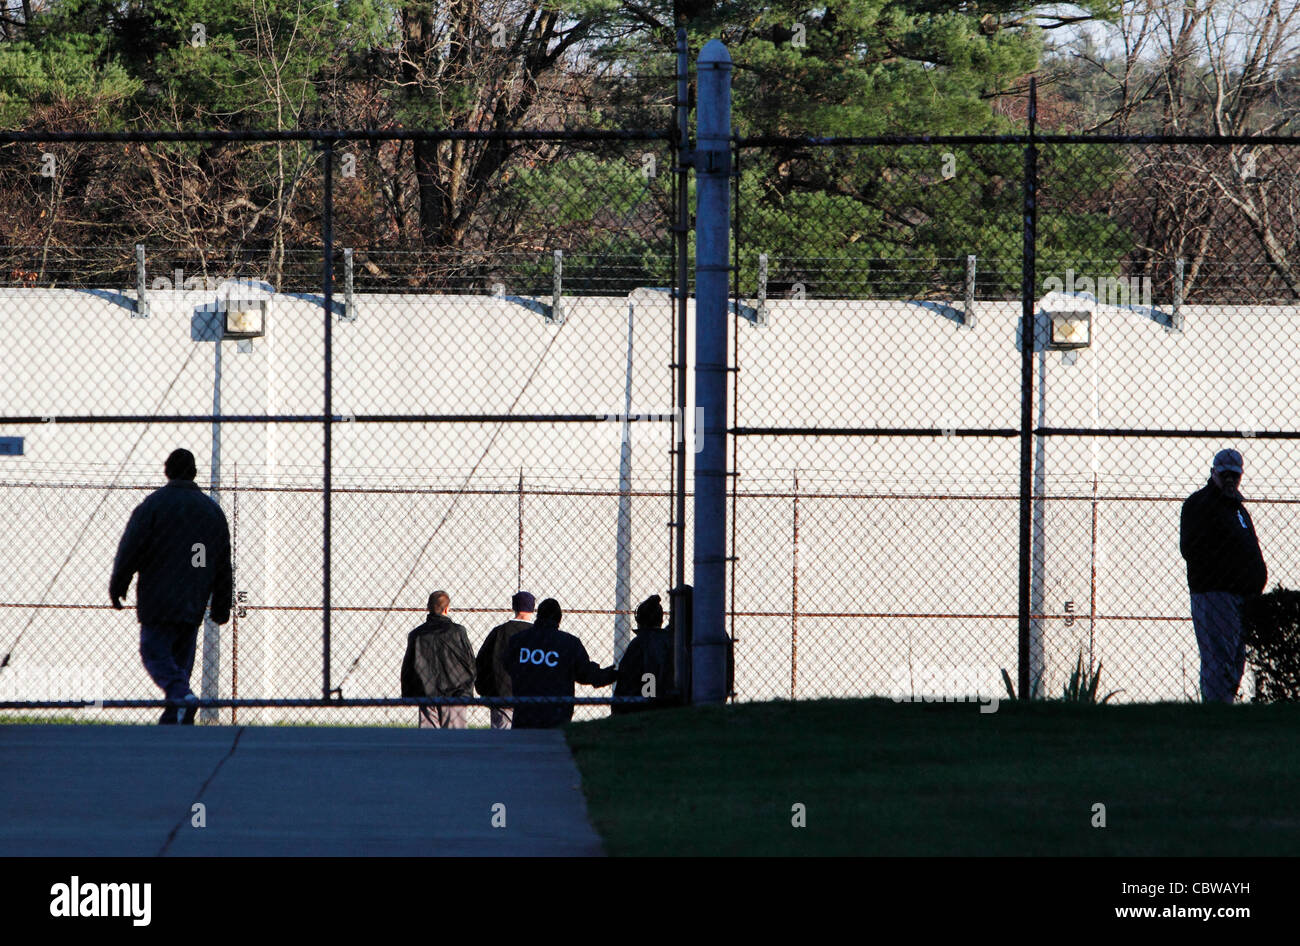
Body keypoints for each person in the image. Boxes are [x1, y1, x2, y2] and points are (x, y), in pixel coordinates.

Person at [109, 448, 232, 725]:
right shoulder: (210, 511)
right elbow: (220, 560)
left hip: (158, 595)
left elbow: (132, 548)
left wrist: (119, 582)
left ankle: (179, 696)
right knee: (181, 657)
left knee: (154, 651)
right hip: (193, 595)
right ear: (194, 473)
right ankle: (176, 708)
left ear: (167, 470)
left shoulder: (153, 506)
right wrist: (221, 601)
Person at [1180, 449, 1268, 703]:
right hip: (1215, 592)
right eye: (1225, 474)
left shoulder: (1237, 509)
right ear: (1213, 473)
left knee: (1235, 657)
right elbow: (1192, 548)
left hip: (1241, 594)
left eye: (1235, 475)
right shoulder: (1200, 504)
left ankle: (1224, 705)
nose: (1230, 479)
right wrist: (1231, 570)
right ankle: (1216, 708)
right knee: (1219, 656)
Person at [505, 598, 617, 729]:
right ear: (559, 619)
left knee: (523, 747)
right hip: (556, 713)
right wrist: (612, 674)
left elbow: (508, 664)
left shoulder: (518, 641)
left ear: (538, 615)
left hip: (524, 711)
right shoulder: (569, 643)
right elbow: (585, 674)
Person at [401, 590, 476, 728]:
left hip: (426, 693)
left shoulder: (417, 634)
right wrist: (467, 689)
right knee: (455, 741)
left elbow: (408, 667)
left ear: (428, 608)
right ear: (447, 608)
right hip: (455, 693)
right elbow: (470, 662)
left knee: (429, 741)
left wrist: (408, 693)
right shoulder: (458, 632)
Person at [475, 591, 535, 729]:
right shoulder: (538, 634)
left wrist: (486, 690)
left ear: (514, 607)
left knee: (502, 739)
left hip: (502, 695)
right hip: (531, 696)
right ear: (532, 609)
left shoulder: (499, 632)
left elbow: (482, 662)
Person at [613, 594, 677, 715]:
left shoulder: (639, 643)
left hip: (641, 706)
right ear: (661, 619)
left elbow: (648, 675)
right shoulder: (671, 640)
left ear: (639, 620)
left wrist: (648, 701)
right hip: (669, 703)